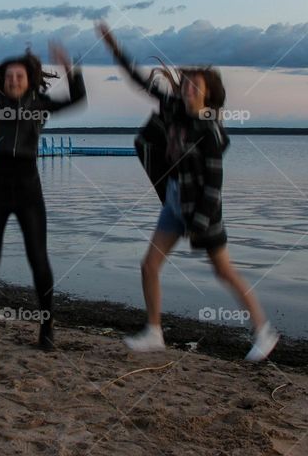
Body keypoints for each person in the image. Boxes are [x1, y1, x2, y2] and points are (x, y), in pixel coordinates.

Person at [96, 20, 278, 361]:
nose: (189, 89)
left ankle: (263, 331)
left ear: (208, 93)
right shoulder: (174, 109)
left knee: (224, 271)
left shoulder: (209, 130)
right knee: (149, 265)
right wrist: (115, 49)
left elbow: (214, 183)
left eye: (197, 86)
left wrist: (200, 222)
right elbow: (140, 82)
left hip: (203, 209)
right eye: (187, 84)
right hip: (176, 201)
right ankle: (154, 332)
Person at [0, 41, 86, 350]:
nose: (14, 80)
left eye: (20, 76)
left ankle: (46, 326)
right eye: (10, 76)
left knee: (38, 260)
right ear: (3, 80)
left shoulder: (40, 105)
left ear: (29, 80)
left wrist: (69, 67)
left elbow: (78, 97)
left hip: (29, 193)